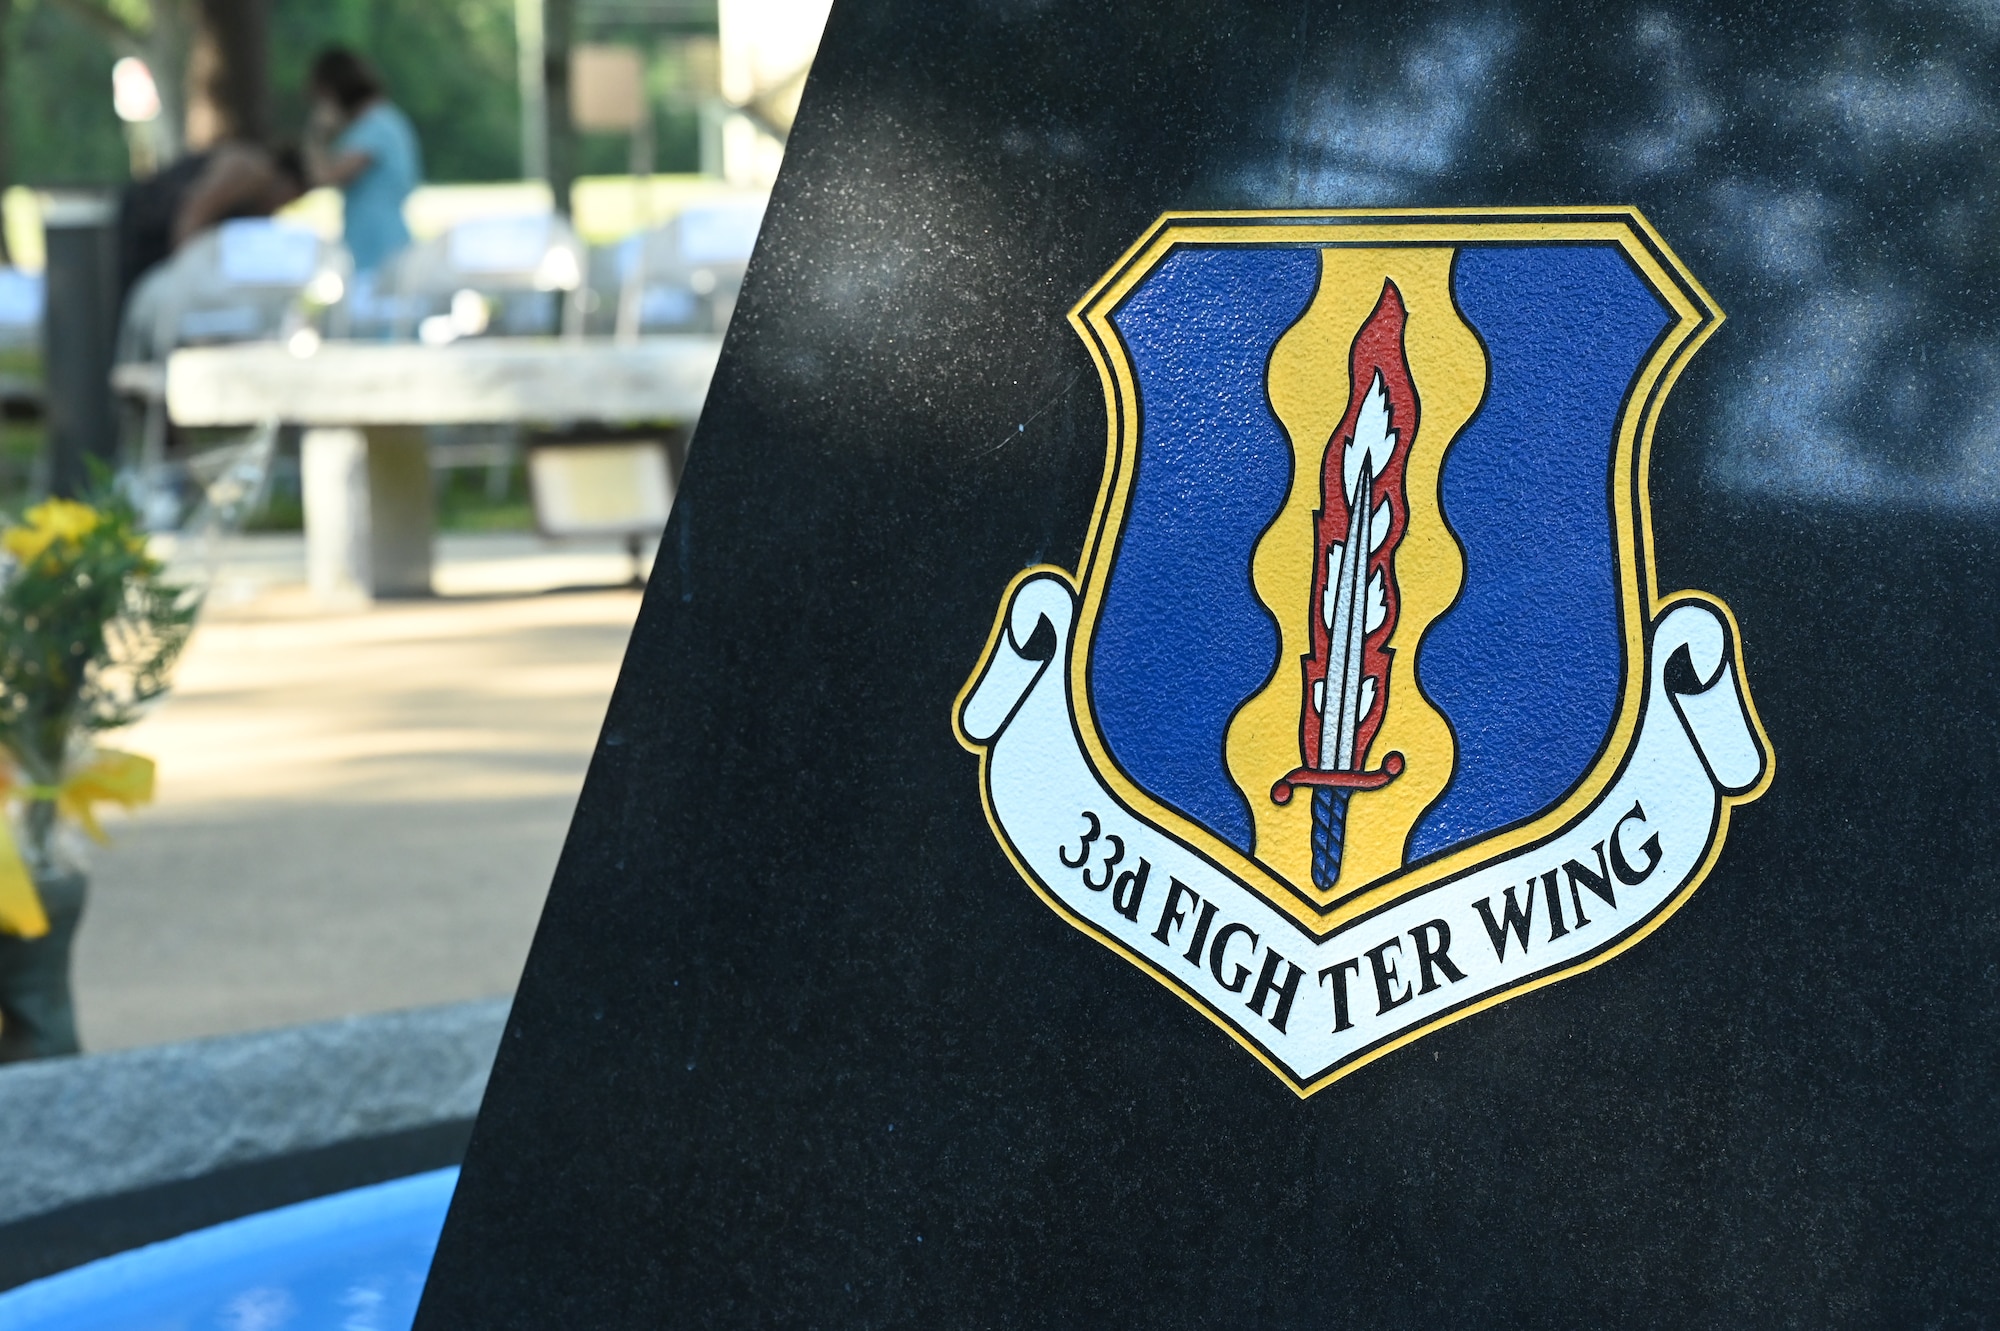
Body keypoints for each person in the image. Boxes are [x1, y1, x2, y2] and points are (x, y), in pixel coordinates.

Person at [115, 143, 309, 310]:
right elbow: (193, 214)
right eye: (288, 199)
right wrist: (183, 282)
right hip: (151, 229)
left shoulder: (259, 200)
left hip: (170, 239)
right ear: (288, 181)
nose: (280, 207)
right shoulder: (252, 169)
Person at [304, 48, 421, 277]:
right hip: (378, 237)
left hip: (377, 242)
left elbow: (323, 177)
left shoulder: (374, 127)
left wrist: (316, 135)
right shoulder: (382, 120)